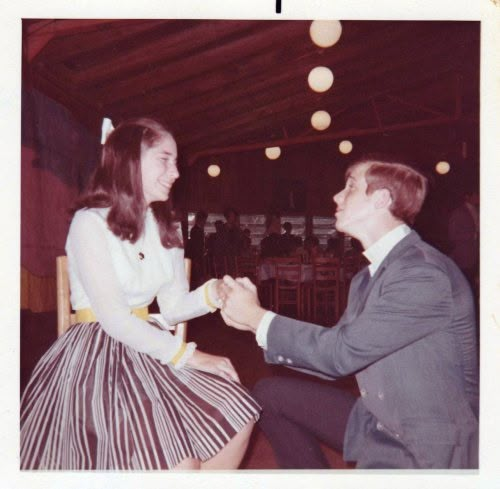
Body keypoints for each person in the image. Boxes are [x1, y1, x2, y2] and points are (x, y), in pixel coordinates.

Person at [20, 117, 260, 470]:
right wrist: (192, 356)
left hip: (149, 345)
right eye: (165, 159)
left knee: (242, 414)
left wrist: (214, 293)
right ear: (129, 160)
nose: (175, 172)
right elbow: (114, 320)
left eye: (175, 162)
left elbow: (174, 306)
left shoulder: (167, 229)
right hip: (95, 355)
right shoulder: (91, 223)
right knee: (180, 463)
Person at [219, 158, 478, 469]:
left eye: (350, 187)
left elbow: (341, 353)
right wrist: (254, 323)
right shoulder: (367, 277)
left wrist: (257, 318)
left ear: (381, 199)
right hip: (378, 420)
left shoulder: (421, 272)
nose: (336, 196)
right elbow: (334, 356)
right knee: (268, 395)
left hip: (427, 444)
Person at [447, 189, 479, 293]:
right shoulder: (458, 212)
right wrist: (473, 235)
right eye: (476, 194)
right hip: (464, 255)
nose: (478, 197)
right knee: (465, 285)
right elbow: (452, 235)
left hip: (476, 253)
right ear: (467, 197)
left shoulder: (478, 210)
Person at [186, 209, 208, 286]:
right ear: (200, 219)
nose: (205, 222)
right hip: (196, 258)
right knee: (197, 279)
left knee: (199, 278)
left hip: (198, 258)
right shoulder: (195, 230)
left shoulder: (198, 230)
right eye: (204, 220)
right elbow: (196, 247)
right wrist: (197, 260)